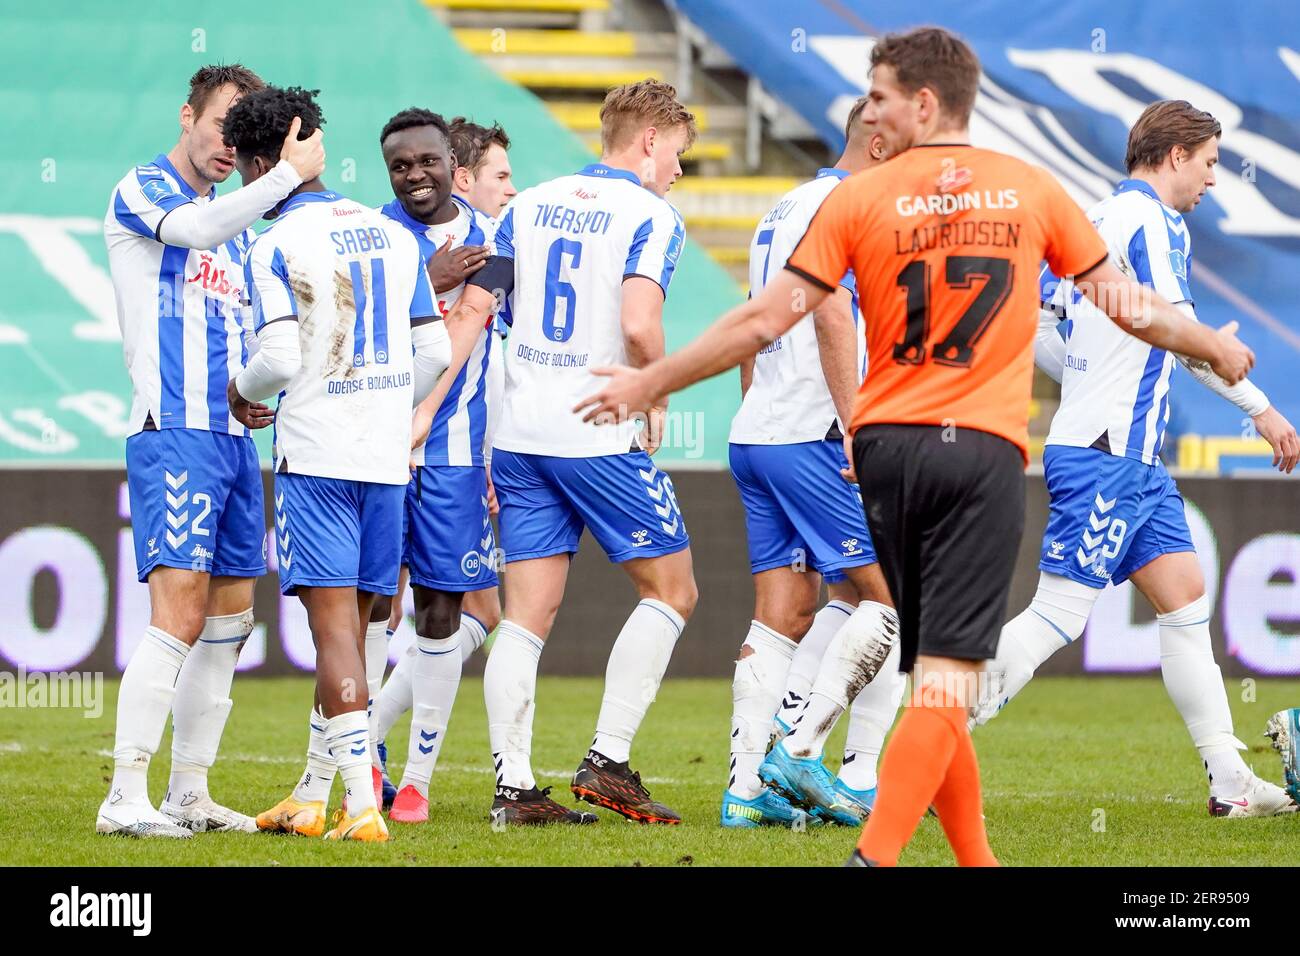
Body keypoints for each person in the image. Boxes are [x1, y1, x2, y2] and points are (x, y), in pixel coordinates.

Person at [573, 27, 1254, 866]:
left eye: (882, 94)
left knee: (929, 660)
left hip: (887, 449)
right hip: (977, 456)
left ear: (926, 102)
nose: (869, 109)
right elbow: (1125, 304)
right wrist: (1213, 348)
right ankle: (875, 852)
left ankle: (974, 857)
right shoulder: (1031, 191)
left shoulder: (861, 201)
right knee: (945, 673)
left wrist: (654, 380)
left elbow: (765, 317)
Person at [971, 100, 1298, 818]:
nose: (1213, 179)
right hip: (1108, 453)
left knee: (1185, 605)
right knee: (1060, 612)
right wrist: (1263, 409)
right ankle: (937, 739)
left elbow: (1049, 337)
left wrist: (1106, 373)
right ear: (1175, 155)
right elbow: (1182, 336)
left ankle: (1231, 781)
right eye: (1209, 162)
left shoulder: (1092, 222)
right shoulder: (1154, 223)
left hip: (1126, 457)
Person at [438, 79, 697, 825]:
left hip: (519, 434)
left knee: (524, 617)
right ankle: (608, 760)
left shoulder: (526, 206)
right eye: (677, 152)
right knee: (673, 590)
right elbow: (642, 325)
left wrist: (429, 406)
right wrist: (656, 394)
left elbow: (479, 307)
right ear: (649, 141)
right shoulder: (652, 214)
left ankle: (514, 790)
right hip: (595, 428)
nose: (678, 169)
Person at [98, 64, 324, 838]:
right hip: (174, 432)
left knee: (231, 618)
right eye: (223, 122)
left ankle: (187, 791)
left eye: (245, 131)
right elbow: (193, 231)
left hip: (229, 438)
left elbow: (242, 326)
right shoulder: (146, 191)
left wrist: (252, 390)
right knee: (180, 609)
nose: (231, 143)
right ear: (188, 112)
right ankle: (124, 792)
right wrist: (287, 175)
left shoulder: (234, 234)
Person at [225, 86, 451, 842]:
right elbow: (435, 351)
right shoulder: (393, 236)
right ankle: (312, 794)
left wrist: (240, 389)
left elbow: (279, 357)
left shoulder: (272, 244)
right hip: (387, 459)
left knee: (334, 638)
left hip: (319, 456)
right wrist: (386, 408)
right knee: (358, 629)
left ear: (264, 164)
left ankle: (361, 807)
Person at [722, 98, 903, 830]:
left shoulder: (783, 206)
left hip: (760, 429)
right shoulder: (849, 206)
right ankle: (806, 753)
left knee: (785, 614)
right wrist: (857, 426)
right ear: (882, 142)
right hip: (813, 435)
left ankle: (743, 791)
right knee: (894, 601)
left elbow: (753, 319)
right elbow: (830, 313)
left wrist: (755, 403)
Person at [369, 117, 517, 810]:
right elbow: (351, 332)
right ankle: (365, 757)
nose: (415, 175)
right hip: (373, 446)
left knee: (440, 614)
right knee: (373, 604)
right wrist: (424, 283)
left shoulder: (496, 242)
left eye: (428, 161)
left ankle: (418, 784)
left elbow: (482, 338)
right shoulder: (369, 235)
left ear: (451, 163)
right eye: (401, 166)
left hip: (454, 456)